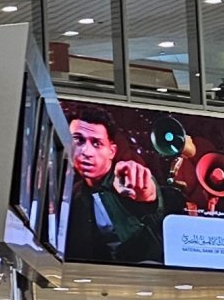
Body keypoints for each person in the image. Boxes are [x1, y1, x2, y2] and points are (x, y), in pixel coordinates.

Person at [59, 111, 171, 265]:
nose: (87, 152)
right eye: (78, 140)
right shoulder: (74, 193)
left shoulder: (124, 177)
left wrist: (145, 190)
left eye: (97, 143)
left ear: (111, 151)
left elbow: (149, 197)